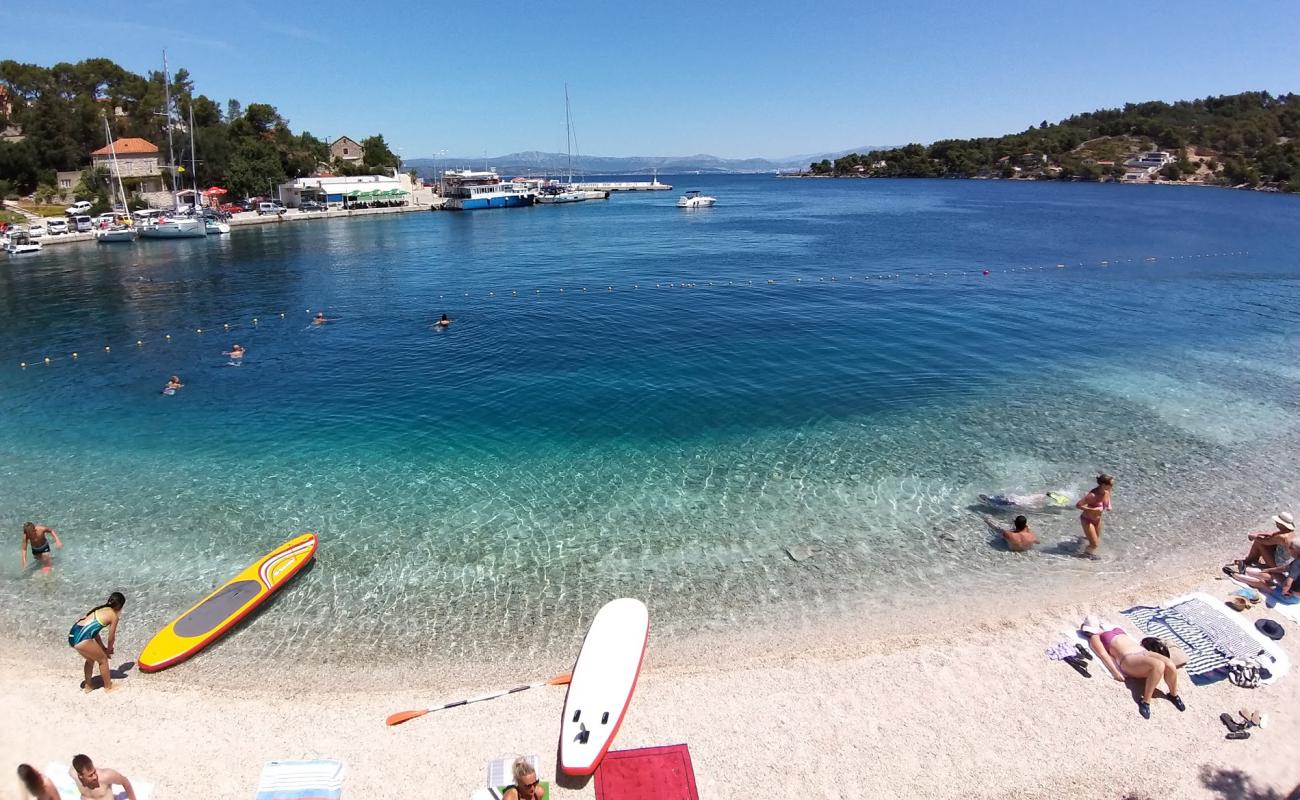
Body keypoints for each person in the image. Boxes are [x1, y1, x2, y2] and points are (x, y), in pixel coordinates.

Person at [1081, 616, 1185, 719]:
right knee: (1158, 665)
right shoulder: (1095, 638)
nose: (1088, 633)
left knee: (1170, 664)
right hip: (1128, 658)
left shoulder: (1110, 628)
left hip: (1143, 652)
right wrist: (1115, 671)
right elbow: (1103, 655)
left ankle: (1173, 695)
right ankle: (1146, 701)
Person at [69, 592, 125, 694]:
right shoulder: (113, 616)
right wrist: (108, 650)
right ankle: (108, 687)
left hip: (73, 636)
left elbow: (94, 633)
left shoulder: (99, 610)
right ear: (120, 606)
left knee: (90, 659)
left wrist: (103, 648)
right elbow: (111, 637)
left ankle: (88, 685)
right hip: (81, 638)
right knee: (103, 660)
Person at [1075, 474, 1114, 558]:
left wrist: (1108, 505)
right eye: (1111, 484)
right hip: (1087, 520)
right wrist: (1093, 510)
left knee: (1095, 539)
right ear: (1103, 485)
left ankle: (1081, 541)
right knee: (1094, 544)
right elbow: (1078, 505)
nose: (1112, 486)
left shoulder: (1106, 491)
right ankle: (1083, 557)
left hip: (1097, 520)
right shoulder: (1092, 495)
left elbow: (1107, 498)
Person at [69, 755, 136, 800]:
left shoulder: (106, 776)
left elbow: (125, 781)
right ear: (80, 776)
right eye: (90, 775)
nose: (95, 777)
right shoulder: (73, 774)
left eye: (94, 772)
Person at [979, 491, 1071, 510]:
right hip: (1019, 498)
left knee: (1038, 503)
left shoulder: (993, 501)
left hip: (1020, 501)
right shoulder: (994, 499)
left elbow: (1009, 503)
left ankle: (1055, 501)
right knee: (1036, 497)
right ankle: (1052, 495)